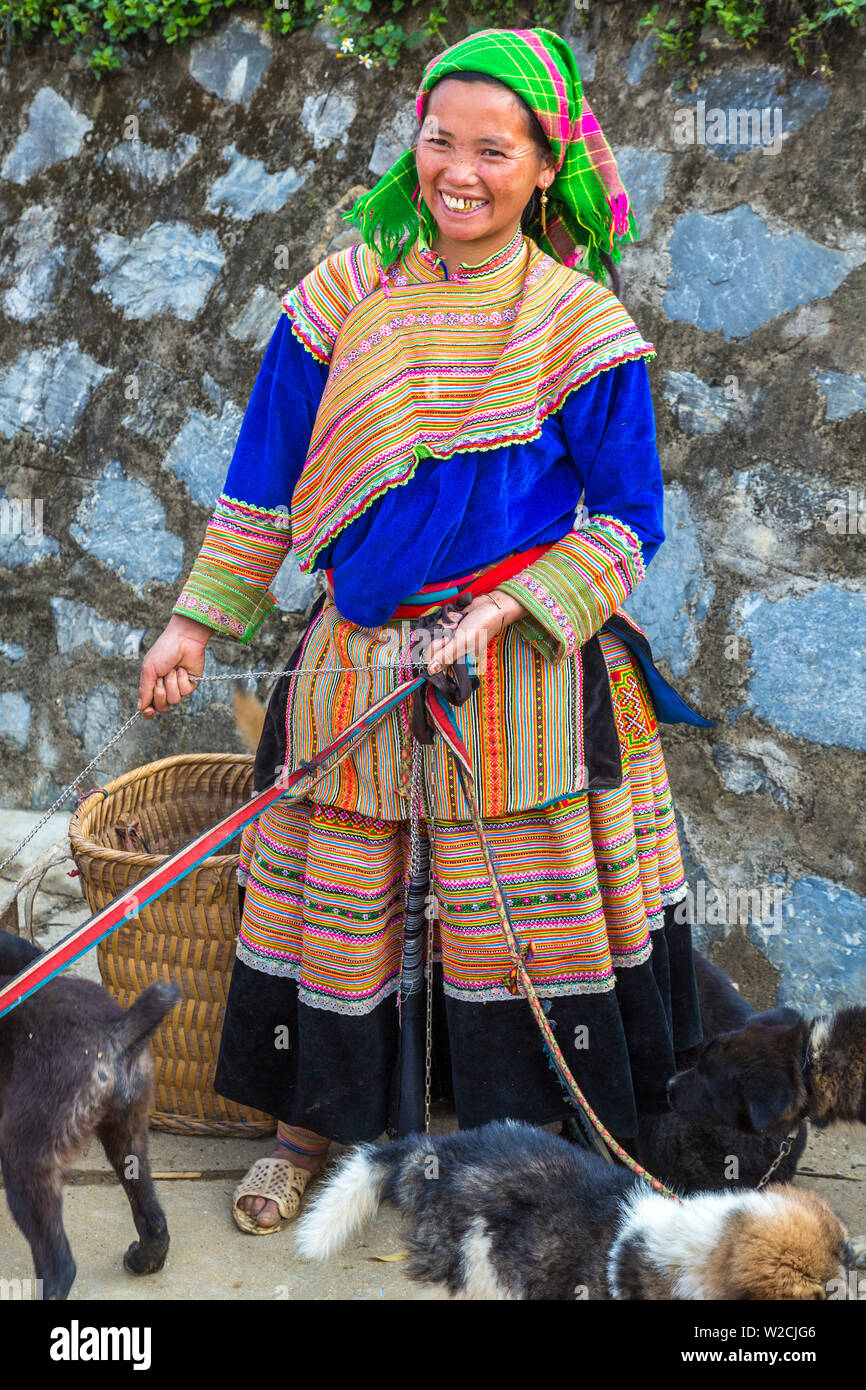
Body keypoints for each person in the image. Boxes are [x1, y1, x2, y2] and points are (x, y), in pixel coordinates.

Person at [139, 26, 706, 1236]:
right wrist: (194, 624)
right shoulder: (343, 296)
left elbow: (625, 523)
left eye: (492, 149)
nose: (459, 169)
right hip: (359, 661)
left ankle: (534, 1166)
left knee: (526, 928)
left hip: (525, 677)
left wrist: (509, 605)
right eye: (438, 139)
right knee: (340, 907)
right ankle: (308, 1134)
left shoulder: (579, 324)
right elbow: (259, 482)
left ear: (545, 164)